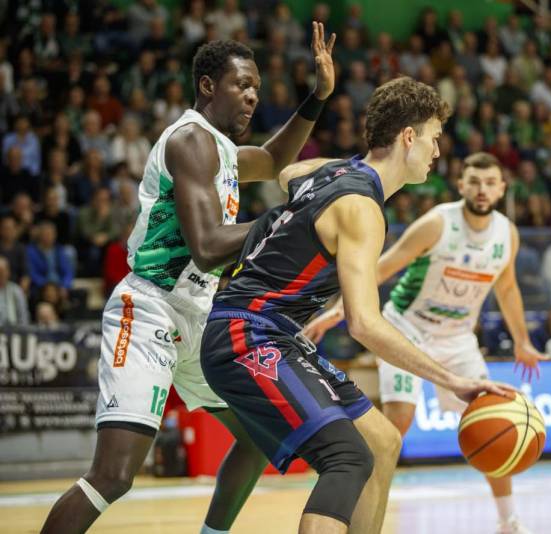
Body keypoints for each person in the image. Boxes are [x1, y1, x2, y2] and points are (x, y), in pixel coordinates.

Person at [41, 26, 337, 534]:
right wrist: (289, 220)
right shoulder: (190, 141)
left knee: (254, 438)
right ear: (207, 85)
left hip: (198, 318)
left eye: (257, 89)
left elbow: (271, 161)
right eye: (242, 85)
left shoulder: (218, 148)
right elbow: (206, 245)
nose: (252, 96)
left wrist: (318, 96)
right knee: (113, 475)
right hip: (151, 306)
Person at [200, 77, 514, 534]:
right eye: (433, 139)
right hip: (246, 335)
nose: (437, 152)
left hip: (268, 331)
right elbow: (365, 324)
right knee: (346, 457)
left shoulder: (328, 173)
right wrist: (453, 380)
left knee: (383, 441)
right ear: (409, 137)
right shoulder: (363, 210)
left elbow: (287, 172)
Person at [302, 151, 544, 534]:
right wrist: (337, 310)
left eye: (490, 182)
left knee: (498, 419)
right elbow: (382, 266)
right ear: (461, 184)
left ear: (502, 189)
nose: (482, 189)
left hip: (459, 339)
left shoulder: (506, 234)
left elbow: (508, 287)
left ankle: (508, 521)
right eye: (474, 181)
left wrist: (522, 341)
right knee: (399, 419)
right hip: (406, 328)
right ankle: (364, 508)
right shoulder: (437, 223)